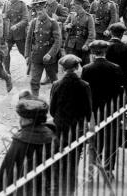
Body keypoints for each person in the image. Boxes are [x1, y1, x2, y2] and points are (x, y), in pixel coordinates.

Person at [81, 40, 127, 179]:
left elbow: (85, 92)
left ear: (92, 53)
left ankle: (90, 172)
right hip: (112, 110)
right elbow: (122, 90)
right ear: (105, 52)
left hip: (95, 111)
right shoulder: (116, 68)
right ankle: (108, 169)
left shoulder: (87, 69)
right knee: (111, 141)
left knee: (94, 142)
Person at [50, 55, 92, 196]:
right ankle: (71, 191)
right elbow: (88, 110)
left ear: (63, 68)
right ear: (77, 68)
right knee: (73, 163)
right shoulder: (84, 85)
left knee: (59, 159)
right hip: (77, 129)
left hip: (60, 128)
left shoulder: (56, 84)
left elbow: (52, 109)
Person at [0, 97, 56, 195]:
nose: (20, 121)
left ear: (31, 120)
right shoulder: (51, 134)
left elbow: (7, 170)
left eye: (23, 119)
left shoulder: (19, 141)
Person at [25, 0, 61, 98]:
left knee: (54, 81)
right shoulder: (33, 23)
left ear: (46, 8)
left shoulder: (53, 23)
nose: (39, 11)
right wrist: (27, 55)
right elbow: (28, 40)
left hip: (49, 58)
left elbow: (58, 41)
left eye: (41, 9)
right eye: (37, 9)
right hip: (36, 56)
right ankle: (35, 100)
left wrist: (50, 54)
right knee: (34, 81)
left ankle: (57, 99)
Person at [2, 0, 30, 75]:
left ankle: (30, 65)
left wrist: (17, 26)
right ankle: (7, 71)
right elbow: (3, 17)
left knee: (23, 52)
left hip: (19, 34)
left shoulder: (22, 4)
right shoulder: (6, 4)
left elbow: (26, 19)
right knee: (6, 52)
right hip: (8, 34)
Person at [64, 0, 95, 65]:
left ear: (79, 5)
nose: (72, 6)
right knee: (70, 66)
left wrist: (87, 44)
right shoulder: (71, 15)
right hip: (71, 45)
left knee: (85, 66)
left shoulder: (88, 17)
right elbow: (65, 25)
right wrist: (67, 26)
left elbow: (92, 34)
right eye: (72, 5)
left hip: (83, 45)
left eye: (73, 5)